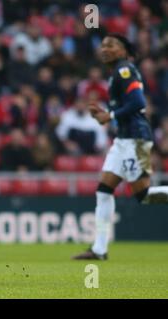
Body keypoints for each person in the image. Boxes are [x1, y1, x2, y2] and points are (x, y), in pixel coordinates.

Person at [72, 34, 168, 260]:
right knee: (104, 190)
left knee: (143, 195)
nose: (105, 49)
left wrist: (110, 115)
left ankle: (99, 248)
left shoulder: (125, 70)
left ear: (124, 50)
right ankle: (99, 249)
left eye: (111, 45)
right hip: (123, 139)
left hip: (135, 139)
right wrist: (105, 116)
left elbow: (138, 102)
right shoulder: (116, 73)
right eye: (103, 45)